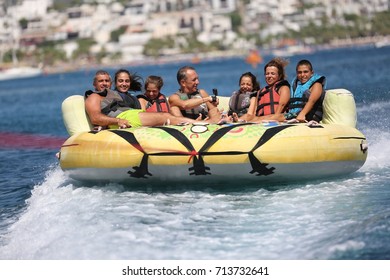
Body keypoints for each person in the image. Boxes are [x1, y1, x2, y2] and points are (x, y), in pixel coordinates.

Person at [84, 70, 222, 129]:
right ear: (94, 84)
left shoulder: (116, 96)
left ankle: (194, 123)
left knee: (166, 117)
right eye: (101, 81)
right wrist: (117, 121)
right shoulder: (94, 96)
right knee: (166, 117)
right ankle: (206, 124)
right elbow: (96, 118)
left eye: (107, 81)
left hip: (130, 116)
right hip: (124, 117)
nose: (104, 84)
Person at [238, 57, 290, 122]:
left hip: (278, 117)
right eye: (267, 74)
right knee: (247, 116)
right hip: (262, 118)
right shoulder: (260, 92)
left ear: (279, 76)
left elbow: (281, 106)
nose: (269, 76)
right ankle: (235, 121)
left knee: (278, 116)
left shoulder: (283, 88)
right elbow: (254, 112)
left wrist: (273, 118)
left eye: (272, 74)